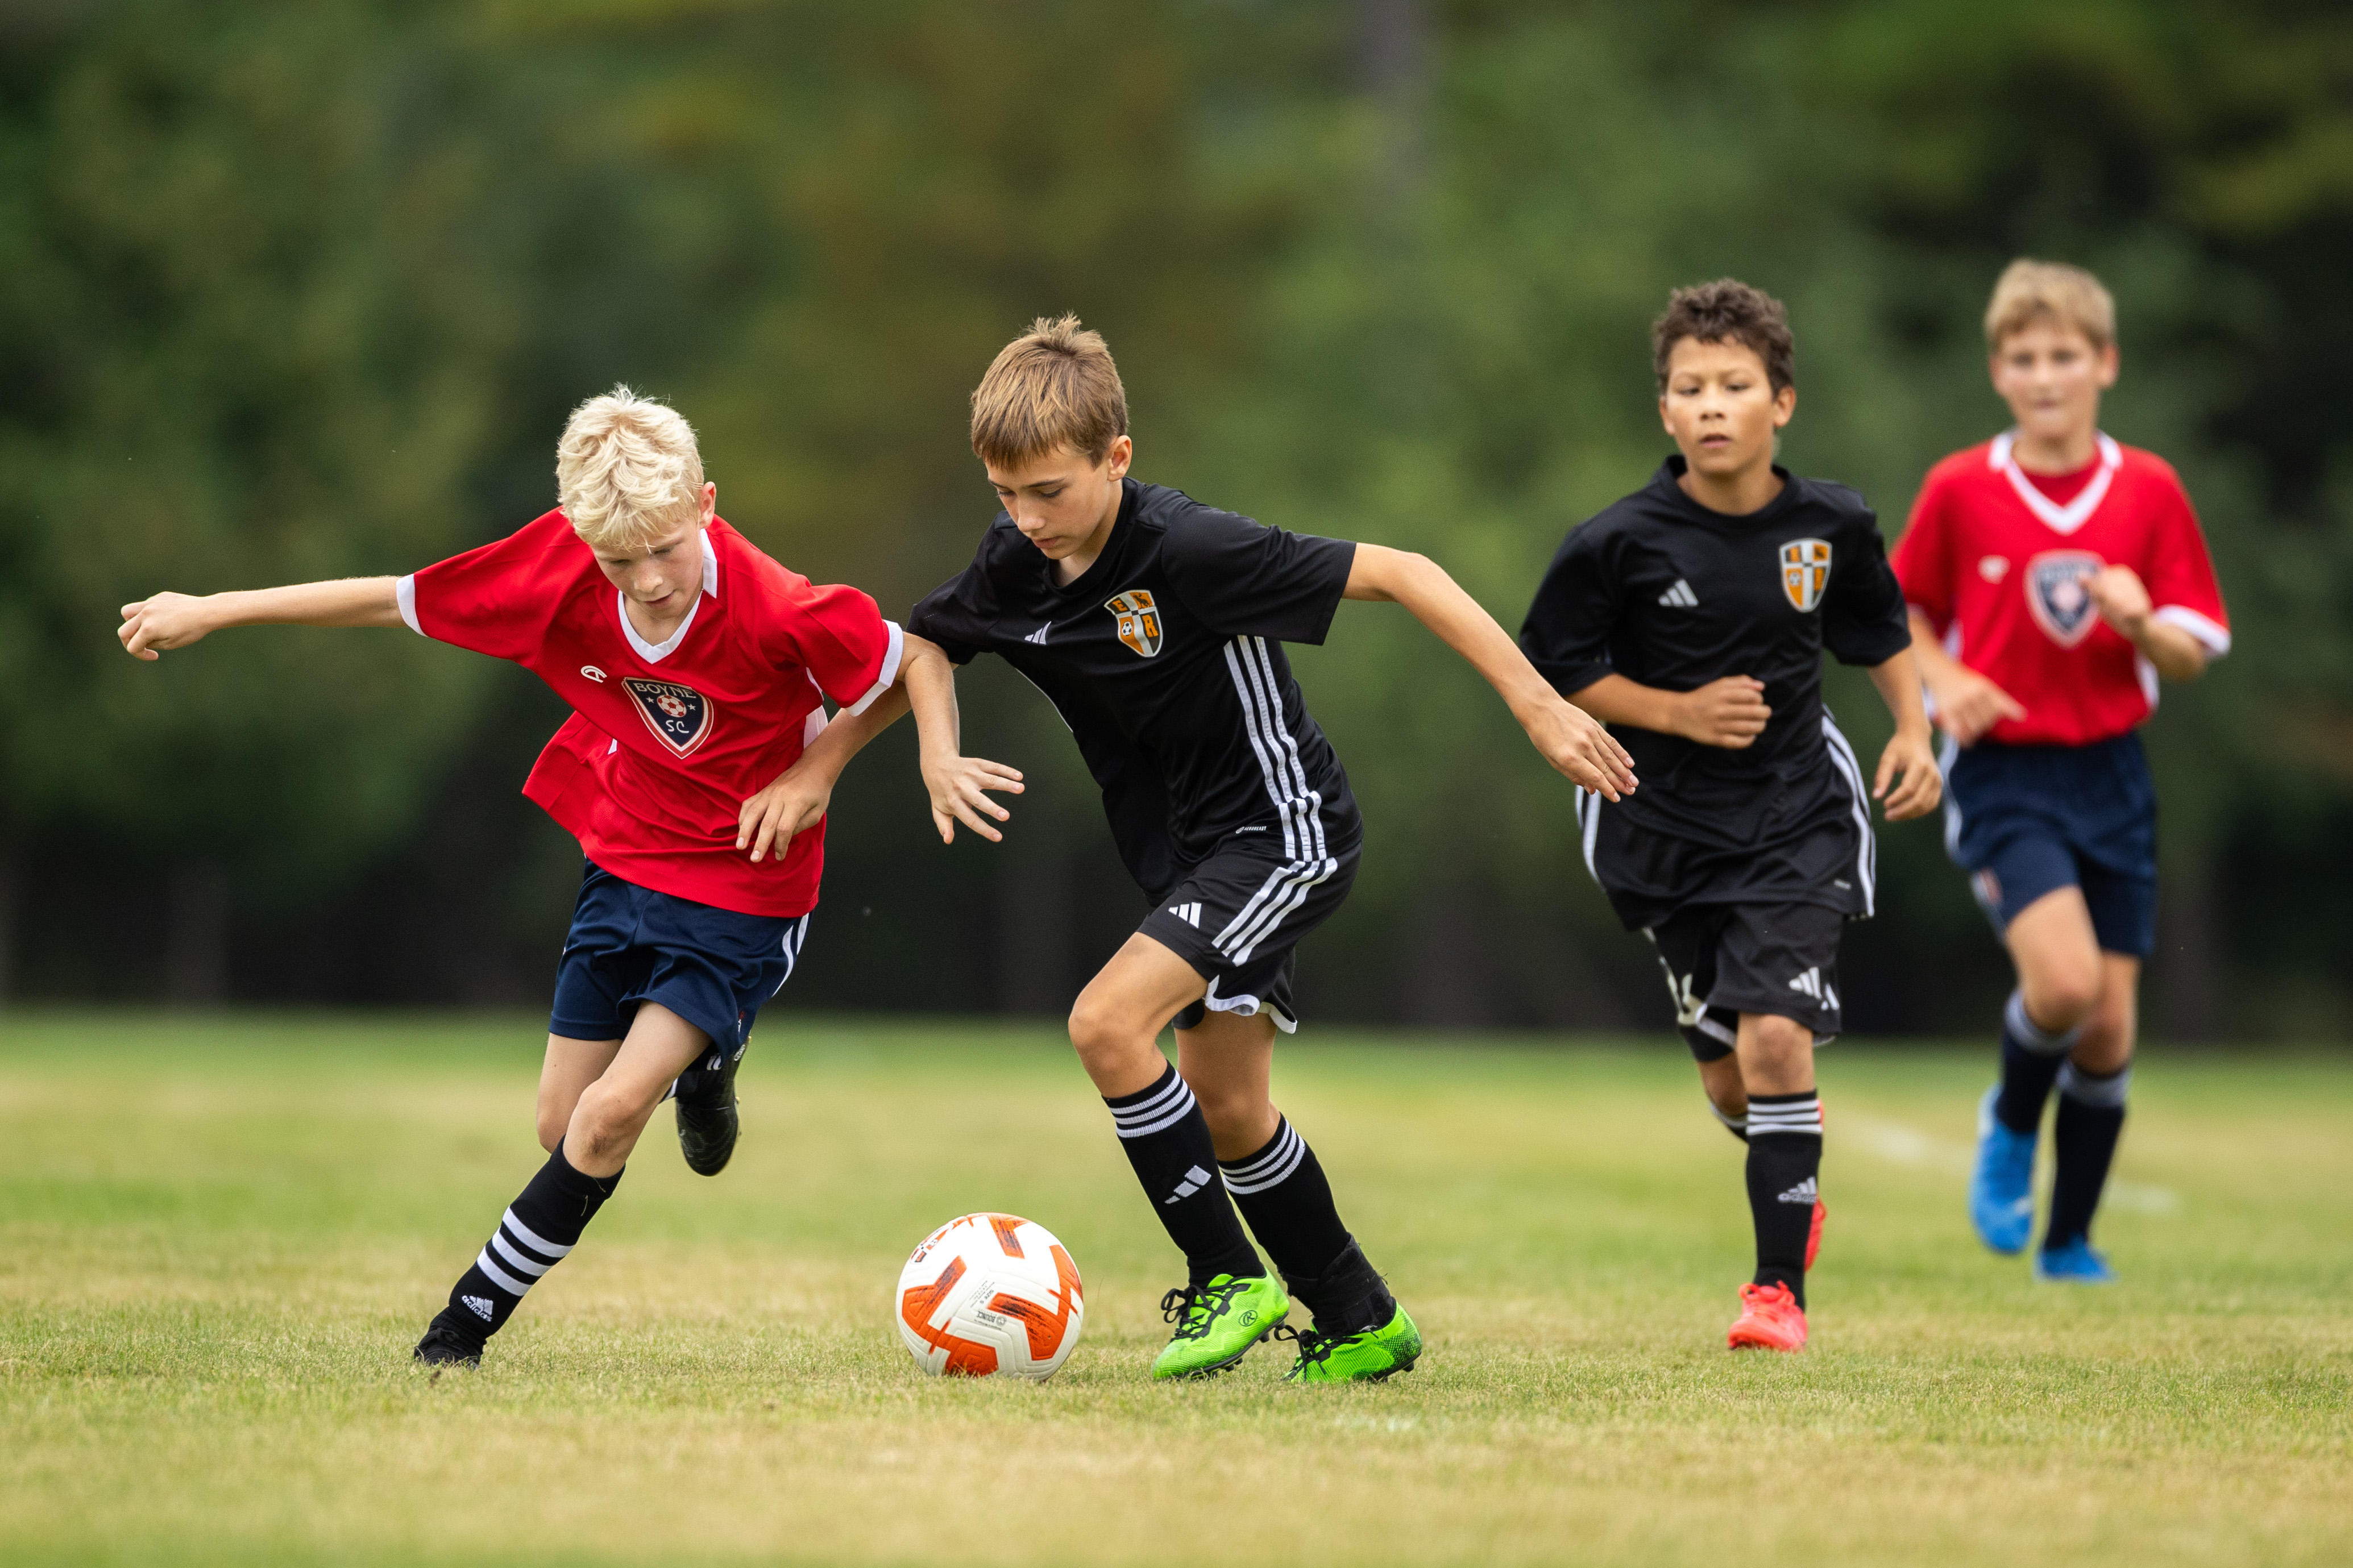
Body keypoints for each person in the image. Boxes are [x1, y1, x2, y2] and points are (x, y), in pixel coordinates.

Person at [117, 388, 1016, 1366]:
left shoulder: (770, 601)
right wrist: (214, 610)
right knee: (562, 1125)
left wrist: (836, 768)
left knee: (609, 1116)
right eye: (618, 562)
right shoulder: (554, 566)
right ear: (581, 537)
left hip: (744, 885)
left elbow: (915, 660)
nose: (648, 581)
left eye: (666, 550)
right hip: (624, 852)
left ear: (705, 504)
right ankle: (707, 1068)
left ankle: (459, 1330)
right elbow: (393, 598)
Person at [906, 315, 1637, 1383]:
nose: (1026, 519)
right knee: (1230, 1111)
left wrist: (1539, 705)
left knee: (1106, 1025)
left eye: (1049, 492)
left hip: (1283, 834)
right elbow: (926, 641)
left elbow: (1408, 572)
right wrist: (930, 752)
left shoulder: (1192, 549)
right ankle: (1360, 1319)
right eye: (1006, 494)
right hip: (1189, 861)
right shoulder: (1018, 560)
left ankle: (1225, 1276)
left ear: (1117, 457)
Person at [1519, 279, 1941, 1353]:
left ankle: (1775, 1293)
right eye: (1690, 387)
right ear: (1664, 410)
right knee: (1730, 1077)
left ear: (1781, 402)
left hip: (1797, 812)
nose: (1713, 404)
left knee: (1775, 1040)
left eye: (1736, 385)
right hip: (1658, 829)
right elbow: (1553, 671)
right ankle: (1792, 1169)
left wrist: (1912, 730)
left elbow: (1878, 628)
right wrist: (1677, 712)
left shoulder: (1831, 524)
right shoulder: (1616, 542)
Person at [1891, 261, 2228, 1283]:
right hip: (2005, 775)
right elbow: (1899, 614)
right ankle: (2009, 1123)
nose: (2045, 377)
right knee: (2067, 984)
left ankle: (2070, 1240)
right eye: (2025, 358)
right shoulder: (1961, 488)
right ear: (1999, 371)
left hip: (2112, 773)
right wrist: (1948, 679)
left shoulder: (2150, 489)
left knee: (2110, 1026)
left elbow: (2192, 651)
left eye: (2065, 356)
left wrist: (2143, 623)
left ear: (2105, 364)